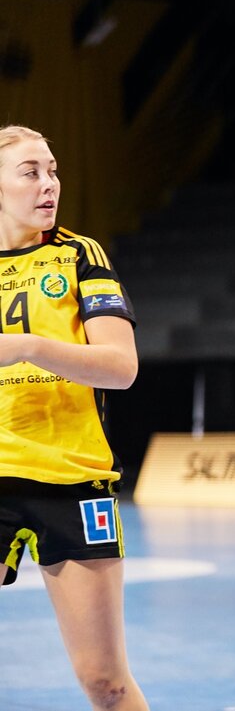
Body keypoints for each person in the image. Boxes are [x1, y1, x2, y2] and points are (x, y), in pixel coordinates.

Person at [0, 126, 146, 710]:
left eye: (53, 171)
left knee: (105, 684)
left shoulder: (81, 255)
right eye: (30, 172)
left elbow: (121, 368)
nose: (49, 184)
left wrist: (28, 347)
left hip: (74, 480)